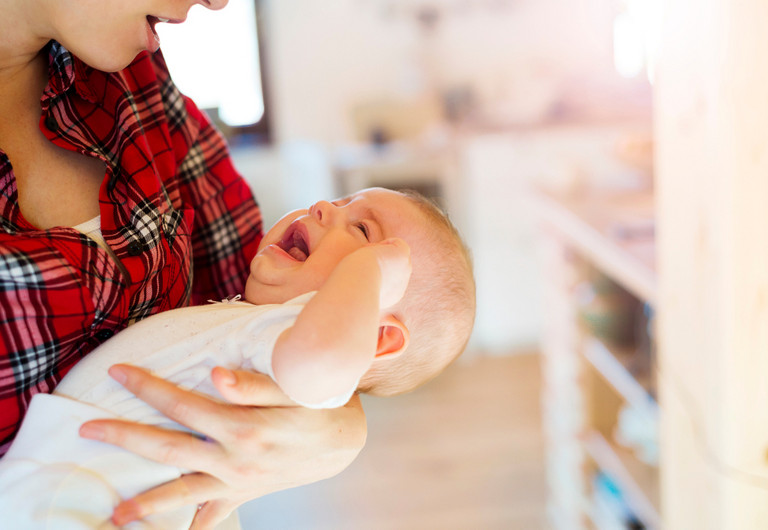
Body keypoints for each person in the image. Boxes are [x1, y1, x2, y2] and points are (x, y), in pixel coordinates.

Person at [0, 1, 367, 527]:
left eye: (362, 226)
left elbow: (272, 301)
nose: (219, 2)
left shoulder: (139, 87)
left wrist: (340, 429)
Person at [0, 187, 477, 529]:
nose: (323, 206)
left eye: (361, 227)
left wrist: (367, 269)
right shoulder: (254, 325)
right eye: (341, 199)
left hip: (88, 504)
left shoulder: (291, 335)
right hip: (59, 487)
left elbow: (321, 362)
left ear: (376, 339)